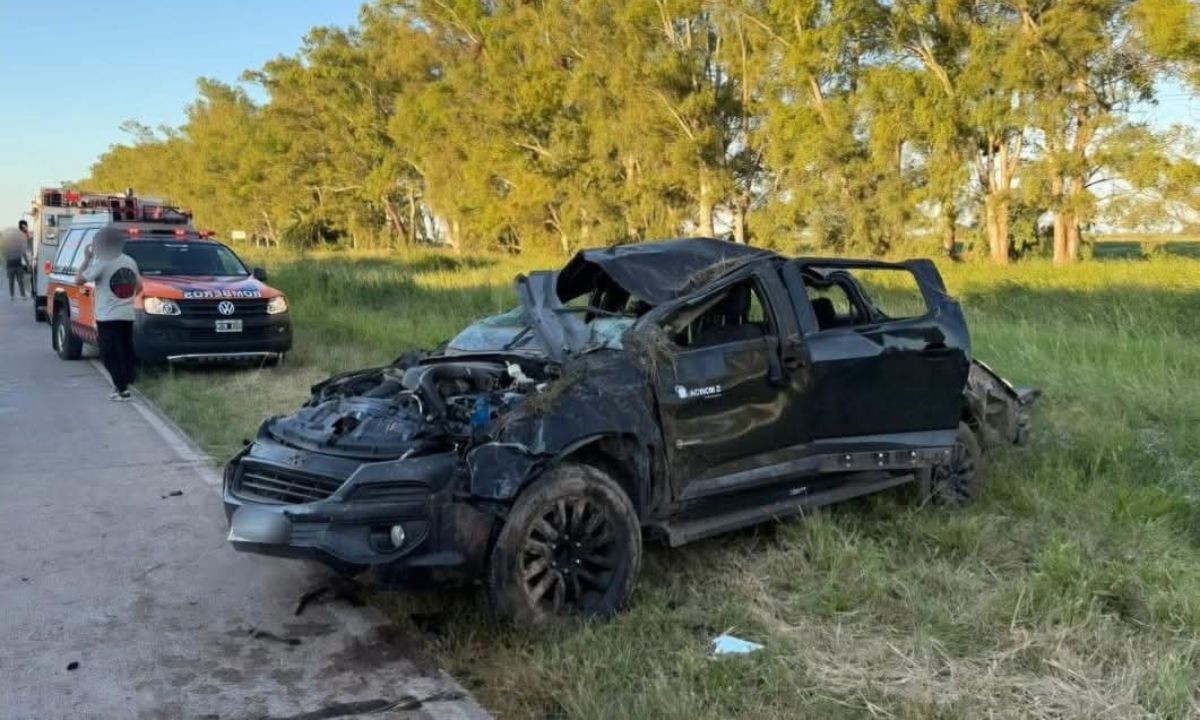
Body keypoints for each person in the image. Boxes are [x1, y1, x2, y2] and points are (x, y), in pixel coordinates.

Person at [75, 227, 142, 401]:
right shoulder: (130, 261)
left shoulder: (103, 263)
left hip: (107, 317)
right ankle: (123, 383)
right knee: (125, 349)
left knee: (110, 354)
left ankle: (122, 390)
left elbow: (78, 280)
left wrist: (87, 259)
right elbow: (139, 287)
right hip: (127, 314)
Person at [2, 225, 29, 300]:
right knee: (13, 281)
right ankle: (13, 295)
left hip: (16, 265)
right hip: (12, 265)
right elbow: (4, 253)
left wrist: (27, 263)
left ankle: (21, 295)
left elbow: (23, 253)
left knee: (19, 281)